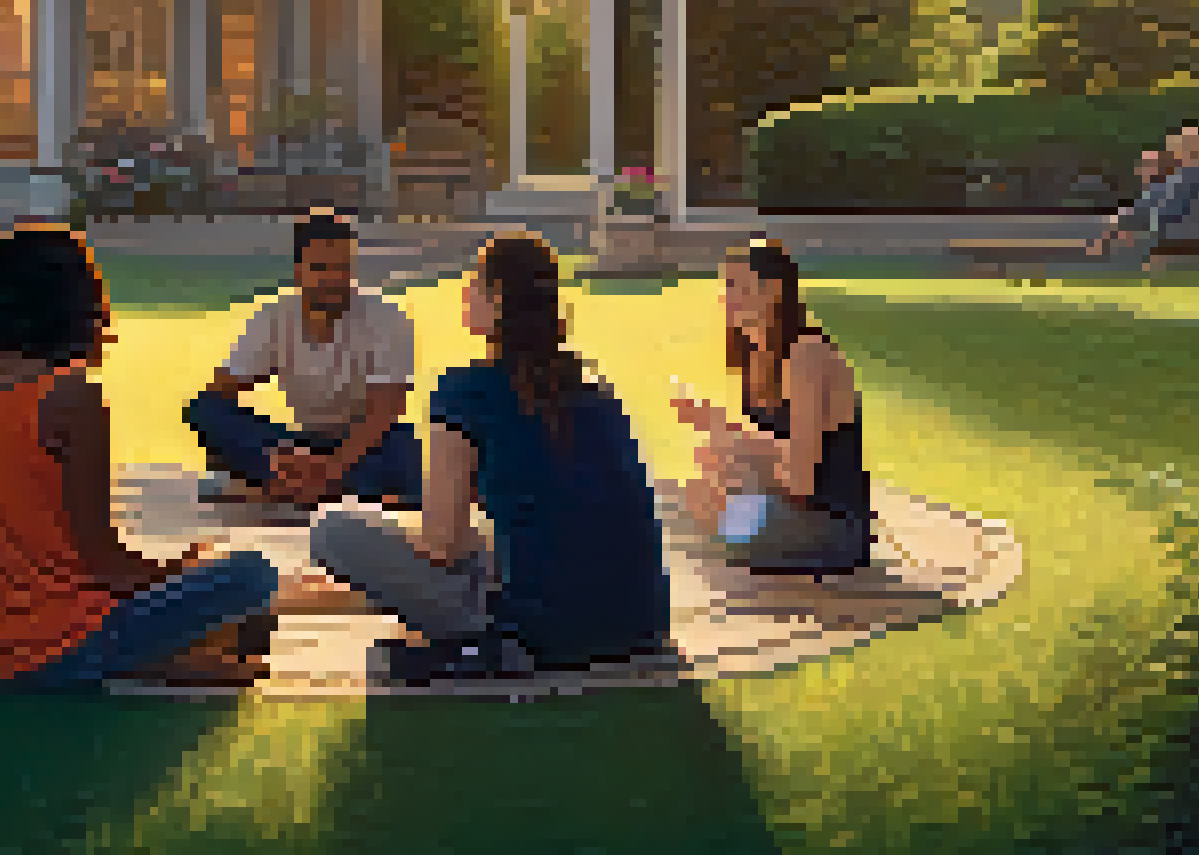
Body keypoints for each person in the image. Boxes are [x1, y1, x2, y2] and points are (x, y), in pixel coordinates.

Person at [0, 224, 281, 689]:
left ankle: (174, 654)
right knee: (252, 577)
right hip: (52, 644)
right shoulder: (70, 396)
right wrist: (178, 569)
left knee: (224, 604)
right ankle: (154, 660)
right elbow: (106, 565)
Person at [309, 234, 672, 682]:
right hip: (641, 624)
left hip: (543, 636)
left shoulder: (463, 390)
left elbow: (442, 545)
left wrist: (400, 535)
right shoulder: (595, 386)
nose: (464, 290)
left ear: (498, 300)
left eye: (474, 281)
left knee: (334, 528)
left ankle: (479, 646)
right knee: (486, 538)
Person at [183, 210, 424, 508]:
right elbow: (219, 393)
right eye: (321, 267)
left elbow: (386, 411)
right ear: (299, 272)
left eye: (342, 267)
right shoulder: (274, 317)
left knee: (413, 454)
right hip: (303, 447)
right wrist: (277, 458)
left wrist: (329, 470)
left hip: (370, 445)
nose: (333, 278)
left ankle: (295, 488)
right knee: (203, 409)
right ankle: (310, 486)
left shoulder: (387, 317)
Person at [674, 238, 872, 576]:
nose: (726, 297)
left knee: (702, 504)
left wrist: (729, 434)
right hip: (793, 510)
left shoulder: (805, 355)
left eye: (737, 286)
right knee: (705, 476)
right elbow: (768, 462)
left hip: (831, 528)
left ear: (774, 291)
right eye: (725, 286)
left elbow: (800, 482)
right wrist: (727, 450)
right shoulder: (755, 360)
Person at [1089, 123, 1199, 272]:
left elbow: (1157, 213)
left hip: (1176, 247)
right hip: (1195, 247)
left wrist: (1124, 226)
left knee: (1123, 228)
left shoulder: (1185, 181)